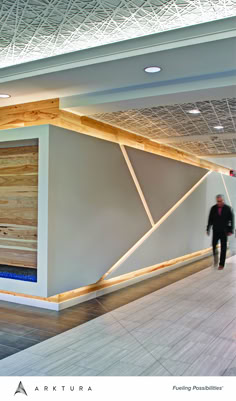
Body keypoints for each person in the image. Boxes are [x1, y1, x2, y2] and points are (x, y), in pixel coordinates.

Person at [207, 194, 234, 270]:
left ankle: (221, 264)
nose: (219, 203)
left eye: (221, 201)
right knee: (214, 245)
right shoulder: (213, 208)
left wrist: (230, 230)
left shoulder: (228, 209)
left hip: (224, 231)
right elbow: (210, 219)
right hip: (215, 230)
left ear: (223, 200)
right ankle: (216, 259)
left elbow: (231, 220)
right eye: (218, 201)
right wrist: (208, 228)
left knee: (223, 247)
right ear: (216, 201)